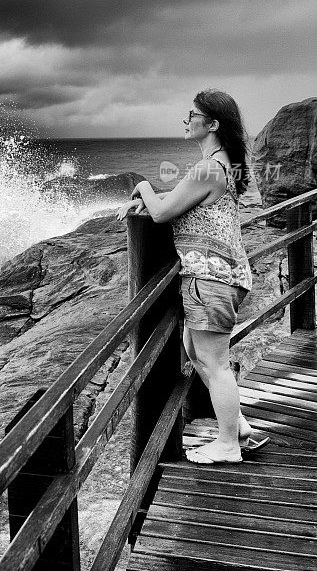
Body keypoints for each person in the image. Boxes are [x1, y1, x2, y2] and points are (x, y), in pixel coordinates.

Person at [117, 89, 269, 464]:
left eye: (192, 114)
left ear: (212, 124)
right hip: (218, 276)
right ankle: (238, 426)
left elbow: (162, 212)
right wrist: (159, 197)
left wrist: (144, 188)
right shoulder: (222, 165)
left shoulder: (208, 168)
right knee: (194, 352)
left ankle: (229, 444)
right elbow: (185, 200)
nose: (186, 119)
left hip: (211, 279)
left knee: (214, 363)